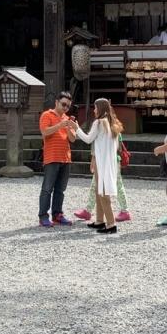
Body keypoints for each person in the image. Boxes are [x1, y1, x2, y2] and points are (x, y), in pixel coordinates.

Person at [74, 98, 122, 234]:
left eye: (95, 108)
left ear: (100, 108)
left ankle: (111, 224)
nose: (94, 110)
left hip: (102, 163)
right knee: (98, 190)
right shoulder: (112, 123)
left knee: (103, 193)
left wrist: (76, 129)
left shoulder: (99, 122)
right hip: (109, 162)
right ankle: (100, 220)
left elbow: (88, 139)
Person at [37, 92, 77, 227]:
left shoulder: (67, 118)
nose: (65, 108)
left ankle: (57, 214)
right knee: (47, 188)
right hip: (52, 157)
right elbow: (45, 132)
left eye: (68, 106)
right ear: (56, 102)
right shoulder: (46, 115)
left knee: (60, 189)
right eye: (63, 104)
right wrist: (60, 125)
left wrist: (70, 128)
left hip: (65, 158)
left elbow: (72, 139)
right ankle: (43, 216)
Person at [73, 132, 132, 222]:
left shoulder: (105, 130)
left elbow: (99, 147)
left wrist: (94, 159)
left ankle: (124, 211)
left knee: (114, 185)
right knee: (98, 185)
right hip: (108, 161)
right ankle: (89, 210)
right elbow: (118, 148)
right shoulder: (113, 130)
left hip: (107, 161)